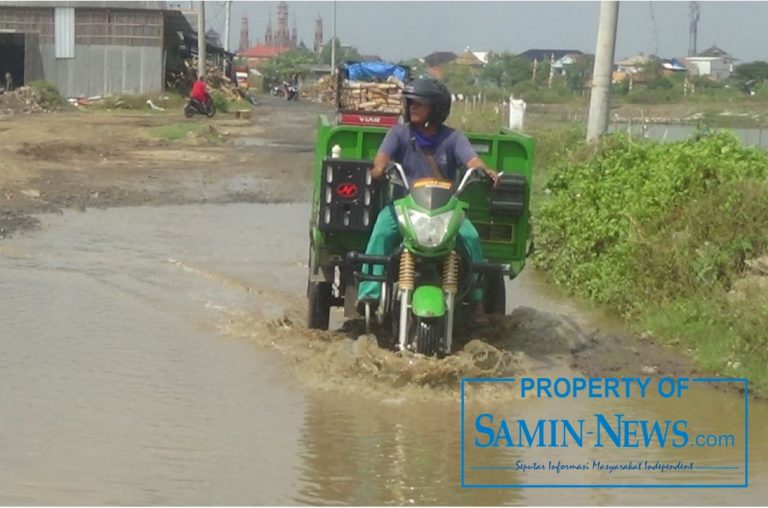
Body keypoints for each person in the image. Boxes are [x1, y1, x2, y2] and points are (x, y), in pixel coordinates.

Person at [356, 77, 498, 323]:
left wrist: (484, 171)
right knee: (380, 232)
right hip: (404, 209)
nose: (412, 107)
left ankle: (476, 301)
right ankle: (369, 294)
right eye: (410, 102)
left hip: (446, 210)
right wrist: (379, 170)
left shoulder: (453, 138)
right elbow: (382, 157)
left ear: (437, 108)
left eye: (419, 103)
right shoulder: (399, 133)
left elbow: (472, 161)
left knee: (472, 239)